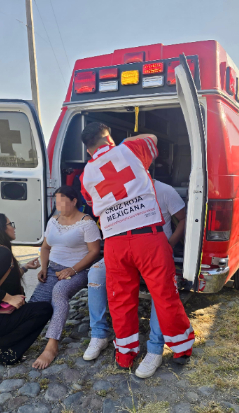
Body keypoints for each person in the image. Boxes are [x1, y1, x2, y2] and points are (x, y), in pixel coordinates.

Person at [79, 122, 194, 369]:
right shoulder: (130, 148)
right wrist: (118, 142)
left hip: (114, 243)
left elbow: (91, 201)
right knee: (164, 295)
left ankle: (125, 355)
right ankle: (181, 349)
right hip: (147, 238)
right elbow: (152, 136)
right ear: (108, 137)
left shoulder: (85, 174)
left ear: (87, 150)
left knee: (120, 300)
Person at [84, 177, 186, 378]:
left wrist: (170, 244)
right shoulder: (112, 191)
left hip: (156, 252)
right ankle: (99, 334)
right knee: (96, 272)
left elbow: (183, 218)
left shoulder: (164, 189)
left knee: (161, 292)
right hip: (122, 254)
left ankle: (155, 348)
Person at [28, 186, 101, 369]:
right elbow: (45, 247)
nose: (58, 205)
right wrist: (44, 267)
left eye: (62, 201)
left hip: (79, 270)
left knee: (59, 292)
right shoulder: (53, 221)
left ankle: (52, 345)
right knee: (36, 303)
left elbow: (94, 252)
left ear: (74, 201)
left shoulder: (87, 223)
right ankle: (11, 338)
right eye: (56, 201)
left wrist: (73, 270)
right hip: (53, 269)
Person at [0, 213, 53, 365]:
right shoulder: (2, 252)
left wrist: (25, 268)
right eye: (10, 224)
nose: (13, 227)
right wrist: (10, 298)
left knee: (27, 309)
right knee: (44, 310)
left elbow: (2, 280)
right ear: (0, 229)